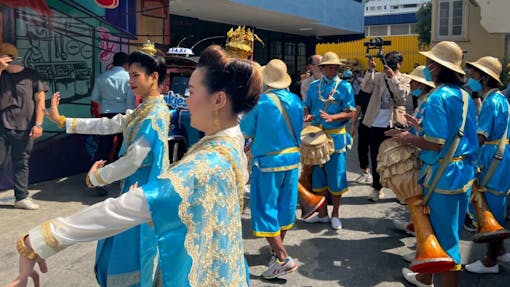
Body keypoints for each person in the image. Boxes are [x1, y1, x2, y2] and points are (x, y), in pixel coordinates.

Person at [8, 45, 261, 287]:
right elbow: (113, 123)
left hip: (153, 203)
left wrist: (39, 239)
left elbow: (127, 198)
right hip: (224, 270)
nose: (186, 100)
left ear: (218, 100)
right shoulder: (230, 142)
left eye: (192, 92)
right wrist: (65, 122)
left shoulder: (201, 163)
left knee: (134, 257)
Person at [45, 51, 170, 286]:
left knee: (132, 247)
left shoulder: (154, 115)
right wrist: (64, 121)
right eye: (129, 75)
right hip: (134, 185)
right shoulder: (145, 109)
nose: (131, 81)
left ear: (154, 77)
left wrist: (97, 178)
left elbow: (134, 160)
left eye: (136, 75)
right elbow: (109, 123)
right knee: (122, 242)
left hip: (142, 190)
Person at [388, 41, 478, 287]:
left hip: (443, 175)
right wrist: (419, 128)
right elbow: (454, 133)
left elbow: (436, 143)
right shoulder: (464, 95)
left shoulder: (438, 97)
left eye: (430, 63)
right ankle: (425, 278)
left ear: (437, 68)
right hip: (463, 173)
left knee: (446, 242)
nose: (427, 67)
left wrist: (409, 137)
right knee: (449, 231)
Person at [240, 59, 303, 279]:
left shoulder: (260, 103)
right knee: (285, 208)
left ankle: (283, 257)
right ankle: (276, 255)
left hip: (268, 164)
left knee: (265, 209)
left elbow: (245, 130)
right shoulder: (295, 100)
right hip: (293, 161)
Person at [463, 56, 510, 274]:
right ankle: (499, 250)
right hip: (500, 155)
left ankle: (490, 261)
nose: (469, 78)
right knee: (495, 201)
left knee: (491, 206)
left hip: (493, 156)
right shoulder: (499, 98)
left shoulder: (492, 101)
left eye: (473, 75)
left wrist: (463, 154)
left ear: (483, 78)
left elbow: (481, 136)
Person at [303, 51, 355, 230]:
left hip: (336, 137)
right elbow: (307, 107)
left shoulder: (345, 87)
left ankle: (336, 214)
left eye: (336, 67)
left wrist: (334, 117)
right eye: (329, 67)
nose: (332, 70)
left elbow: (351, 112)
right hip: (317, 135)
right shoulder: (313, 86)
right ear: (322, 68)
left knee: (337, 175)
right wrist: (308, 116)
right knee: (319, 176)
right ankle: (323, 213)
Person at [0, 43, 47, 210]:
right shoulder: (1, 75)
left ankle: (21, 197)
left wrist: (39, 124)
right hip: (2, 126)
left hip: (25, 127)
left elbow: (40, 100)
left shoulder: (32, 75)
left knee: (21, 162)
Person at [360, 51, 410, 202]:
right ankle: (377, 188)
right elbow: (365, 88)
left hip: (394, 122)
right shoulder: (379, 77)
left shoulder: (405, 78)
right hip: (375, 122)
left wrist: (393, 78)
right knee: (376, 156)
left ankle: (399, 191)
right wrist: (370, 70)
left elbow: (401, 96)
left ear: (399, 64)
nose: (391, 66)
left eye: (394, 63)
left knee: (397, 158)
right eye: (388, 62)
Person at [89, 52, 135, 195]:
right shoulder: (129, 79)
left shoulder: (102, 78)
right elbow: (130, 103)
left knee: (103, 148)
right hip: (123, 116)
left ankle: (96, 180)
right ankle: (121, 179)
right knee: (123, 148)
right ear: (127, 65)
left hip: (106, 116)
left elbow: (95, 98)